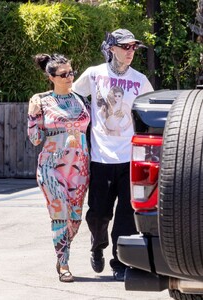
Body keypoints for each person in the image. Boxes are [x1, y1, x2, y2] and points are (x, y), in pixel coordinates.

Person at [72, 28, 154, 281]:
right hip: (100, 157)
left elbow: (149, 111)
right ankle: (97, 246)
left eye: (133, 47)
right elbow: (73, 97)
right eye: (125, 47)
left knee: (126, 214)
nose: (130, 52)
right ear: (111, 49)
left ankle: (120, 262)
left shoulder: (140, 80)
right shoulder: (94, 74)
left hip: (129, 157)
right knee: (98, 212)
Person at [27, 53, 90, 283]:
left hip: (79, 166)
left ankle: (61, 250)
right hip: (51, 166)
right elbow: (34, 138)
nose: (69, 77)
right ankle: (64, 264)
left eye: (71, 72)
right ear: (51, 77)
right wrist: (33, 114)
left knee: (75, 218)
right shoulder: (42, 100)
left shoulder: (80, 99)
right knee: (60, 215)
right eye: (63, 74)